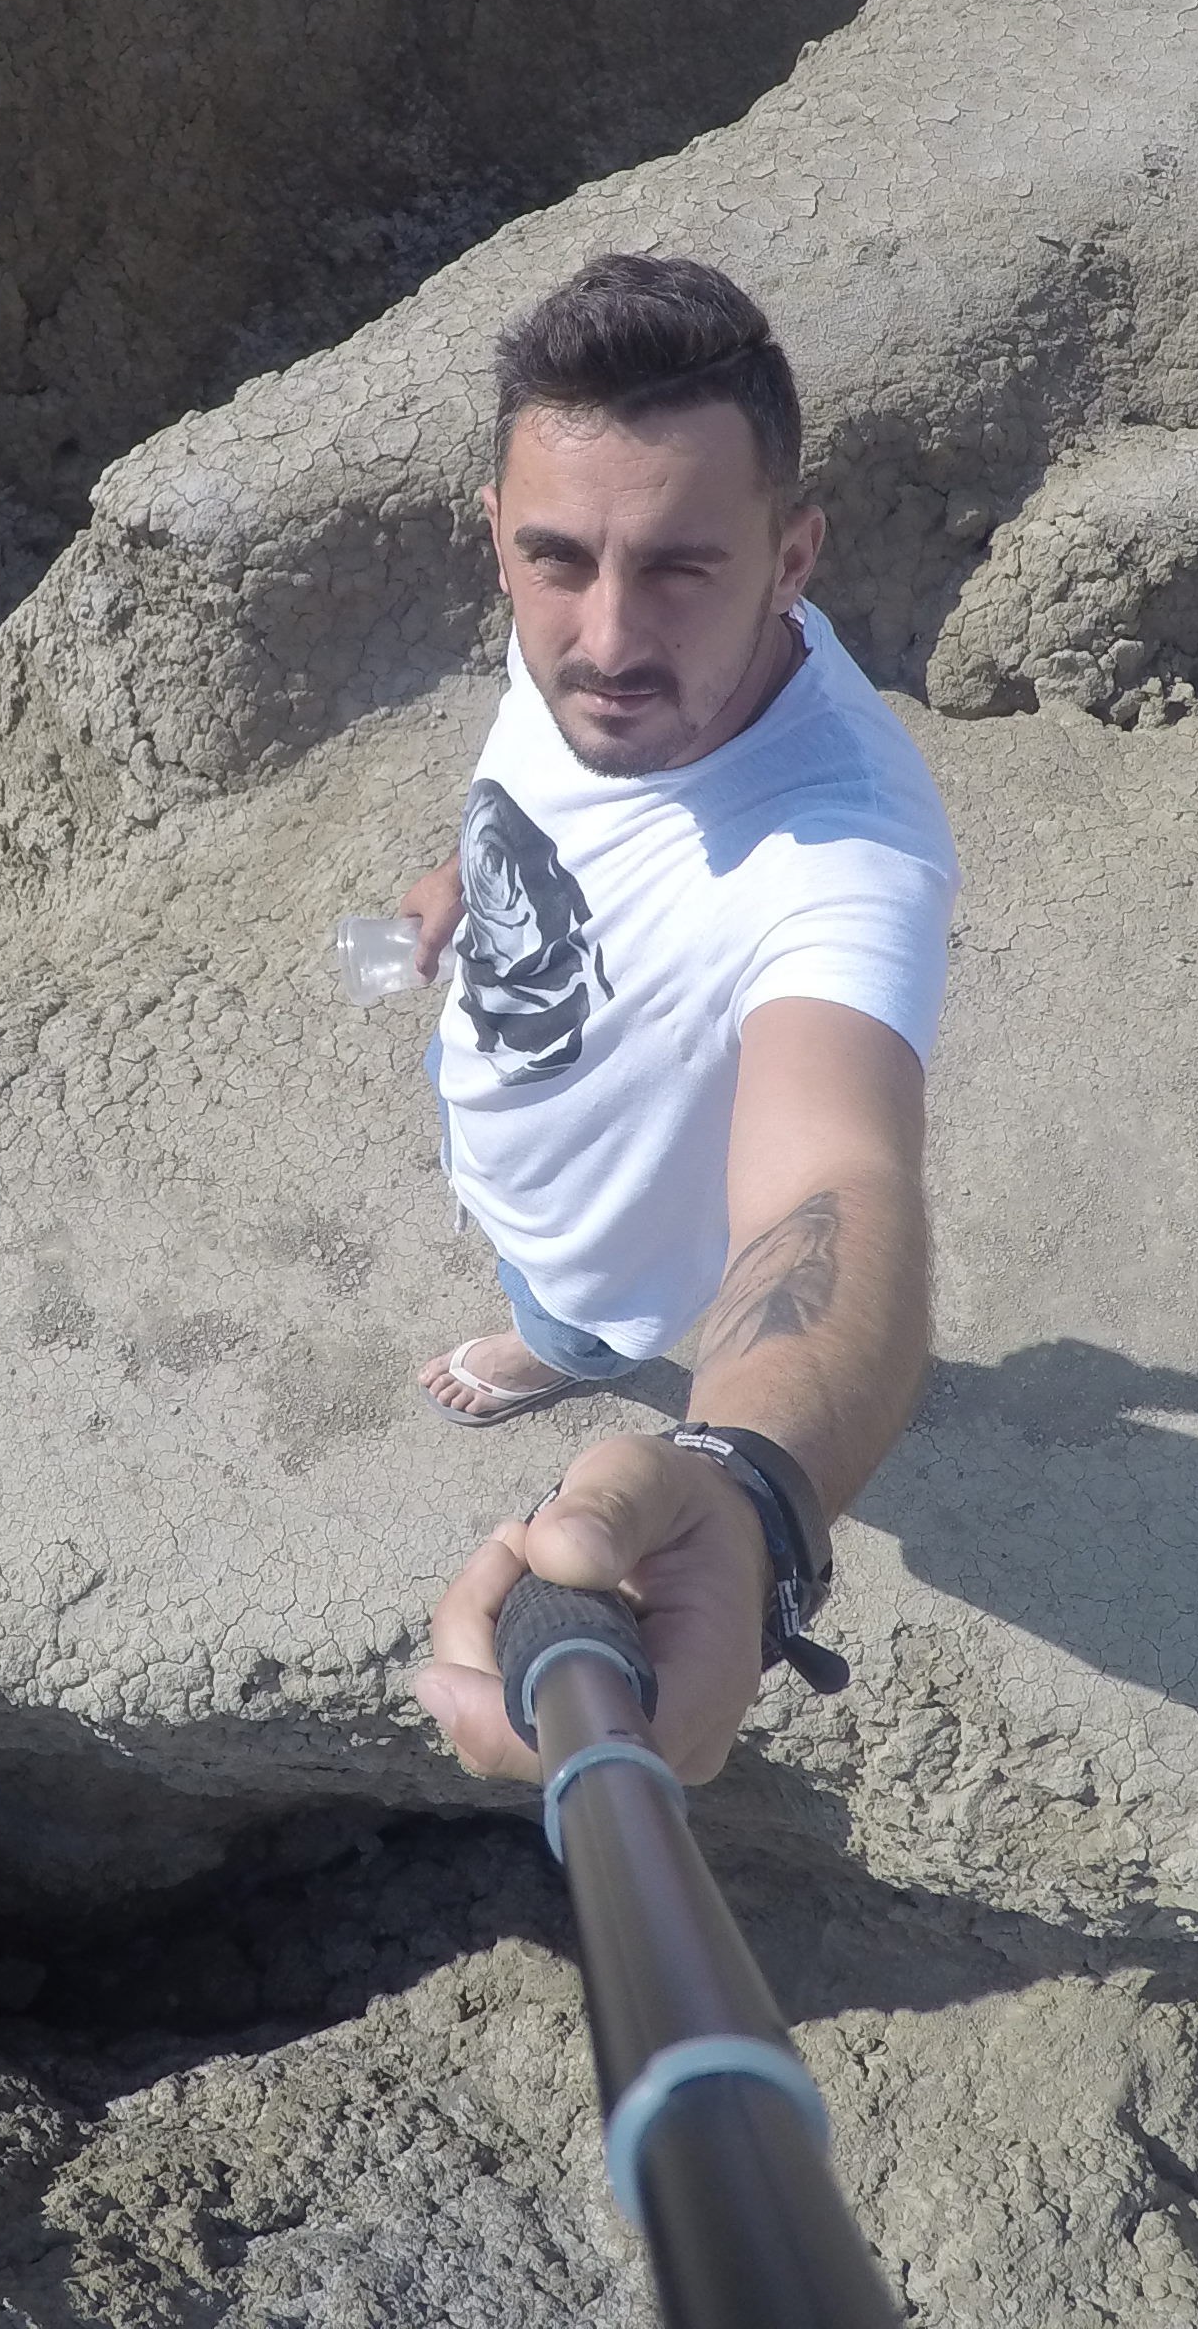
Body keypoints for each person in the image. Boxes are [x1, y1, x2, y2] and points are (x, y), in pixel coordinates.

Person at [400, 253, 957, 1792]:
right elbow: (531, 777)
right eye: (557, 560)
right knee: (506, 1217)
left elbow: (835, 1179)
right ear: (500, 539)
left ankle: (555, 1349)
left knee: (572, 1316)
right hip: (501, 1103)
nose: (607, 638)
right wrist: (457, 880)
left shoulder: (844, 854)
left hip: (622, 1250)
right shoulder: (579, 649)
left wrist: (744, 1488)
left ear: (793, 559)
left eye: (679, 569)